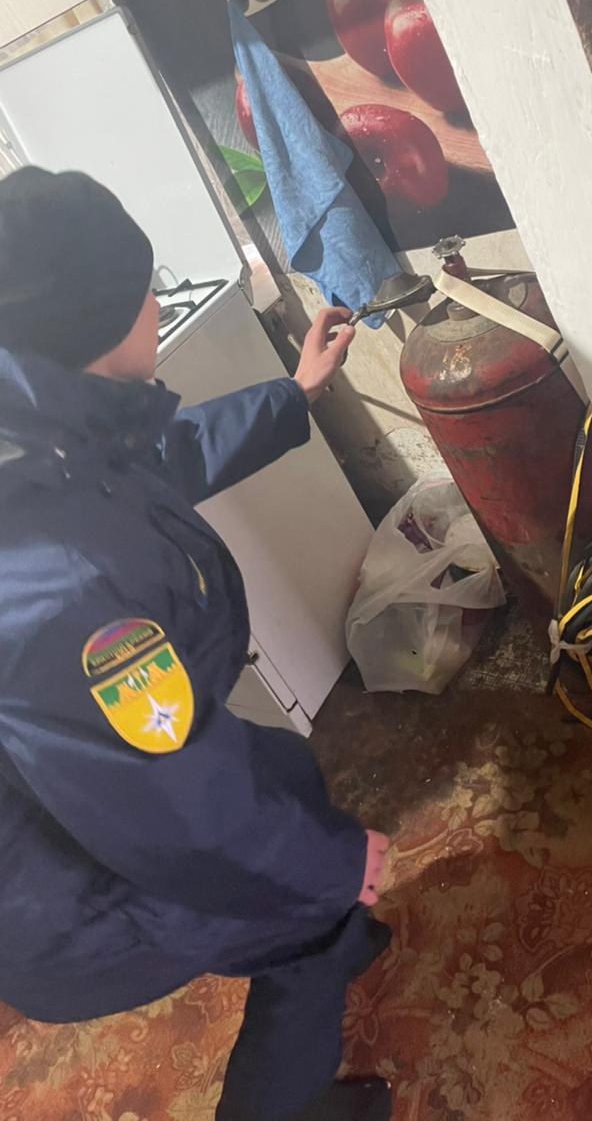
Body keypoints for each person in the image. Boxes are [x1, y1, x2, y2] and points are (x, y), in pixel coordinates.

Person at [0, 167, 392, 1121]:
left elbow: (152, 464)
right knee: (308, 913)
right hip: (66, 897)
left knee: (286, 786)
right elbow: (180, 813)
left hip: (91, 811)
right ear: (101, 325)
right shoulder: (66, 591)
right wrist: (337, 867)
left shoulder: (43, 436)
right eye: (150, 289)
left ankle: (333, 929)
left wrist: (293, 395)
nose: (157, 304)